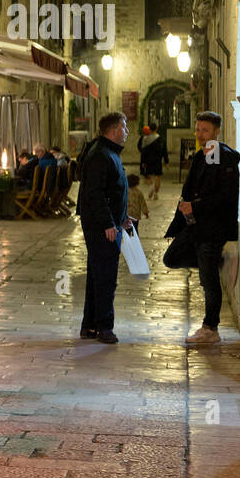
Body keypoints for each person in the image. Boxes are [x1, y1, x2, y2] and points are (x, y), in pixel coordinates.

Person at [165, 111, 240, 346]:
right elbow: (194, 187)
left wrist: (194, 206)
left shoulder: (224, 158)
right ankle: (214, 262)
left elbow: (225, 197)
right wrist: (185, 207)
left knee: (209, 282)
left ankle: (210, 329)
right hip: (195, 226)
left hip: (213, 228)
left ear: (217, 131)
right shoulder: (202, 155)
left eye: (205, 130)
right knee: (171, 257)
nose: (199, 134)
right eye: (197, 129)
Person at [77, 112, 132, 344]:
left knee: (97, 274)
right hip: (101, 226)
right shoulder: (101, 155)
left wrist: (121, 218)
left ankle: (90, 325)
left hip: (106, 222)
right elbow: (95, 194)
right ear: (114, 130)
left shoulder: (107, 152)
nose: (127, 131)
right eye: (124, 127)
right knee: (105, 276)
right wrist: (108, 223)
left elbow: (112, 191)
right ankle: (104, 327)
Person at [138, 124, 170, 199]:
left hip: (148, 160)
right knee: (157, 177)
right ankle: (155, 193)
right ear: (157, 128)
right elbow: (164, 151)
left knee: (149, 177)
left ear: (150, 129)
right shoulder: (161, 139)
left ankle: (151, 189)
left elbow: (143, 152)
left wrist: (143, 162)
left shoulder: (145, 139)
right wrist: (166, 162)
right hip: (157, 161)